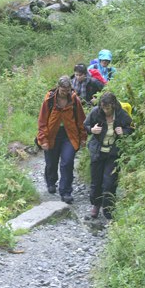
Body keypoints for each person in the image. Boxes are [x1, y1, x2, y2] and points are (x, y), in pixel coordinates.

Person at [37, 76, 87, 204]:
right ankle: (51, 181)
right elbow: (42, 121)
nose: (65, 93)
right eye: (63, 90)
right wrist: (43, 139)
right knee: (51, 162)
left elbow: (81, 120)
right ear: (58, 88)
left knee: (67, 162)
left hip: (69, 135)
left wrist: (83, 137)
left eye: (68, 90)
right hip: (52, 134)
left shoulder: (75, 100)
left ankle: (66, 191)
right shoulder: (49, 100)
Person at [84, 91, 134, 219]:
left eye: (108, 108)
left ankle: (108, 209)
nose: (105, 110)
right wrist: (92, 130)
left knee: (110, 182)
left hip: (113, 153)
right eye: (103, 107)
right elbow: (85, 125)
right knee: (96, 181)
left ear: (113, 105)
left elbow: (131, 128)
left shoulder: (121, 114)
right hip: (97, 151)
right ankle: (96, 205)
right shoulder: (96, 112)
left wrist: (123, 131)